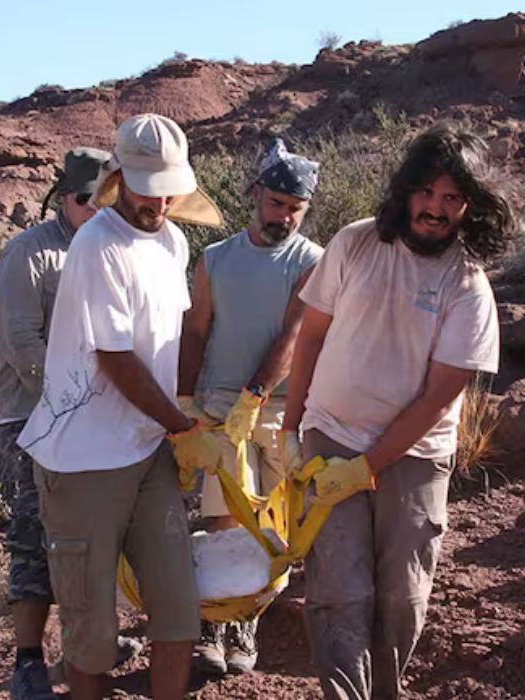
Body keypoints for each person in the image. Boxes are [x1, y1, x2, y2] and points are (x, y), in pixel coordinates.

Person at [280, 125, 516, 700]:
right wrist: (290, 429)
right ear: (407, 190)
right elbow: (310, 336)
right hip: (329, 438)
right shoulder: (355, 242)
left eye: (451, 199)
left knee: (401, 597)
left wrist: (368, 467)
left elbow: (440, 396)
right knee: (336, 589)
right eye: (427, 194)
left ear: (469, 208)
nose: (435, 210)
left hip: (414, 458)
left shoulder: (467, 285)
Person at [18, 113, 226, 700]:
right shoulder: (96, 245)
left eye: (167, 187)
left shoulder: (174, 240)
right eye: (144, 185)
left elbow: (172, 336)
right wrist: (182, 426)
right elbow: (115, 359)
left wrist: (180, 413)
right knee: (91, 632)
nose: (157, 200)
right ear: (118, 178)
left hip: (147, 450)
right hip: (82, 461)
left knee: (178, 616)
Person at [0, 146, 142, 700]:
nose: (95, 208)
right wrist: (69, 402)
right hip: (33, 419)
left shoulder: (117, 248)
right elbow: (20, 343)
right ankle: (28, 659)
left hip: (101, 421)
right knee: (35, 537)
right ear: (63, 198)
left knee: (101, 538)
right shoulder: (30, 253)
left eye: (104, 198)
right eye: (86, 199)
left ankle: (93, 643)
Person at [177, 138, 322, 675]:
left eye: (295, 209)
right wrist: (186, 400)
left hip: (279, 410)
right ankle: (213, 626)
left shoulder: (312, 260)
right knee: (220, 521)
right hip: (217, 410)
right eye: (277, 203)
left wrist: (254, 397)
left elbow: (294, 335)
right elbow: (195, 331)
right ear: (255, 193)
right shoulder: (215, 259)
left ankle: (246, 628)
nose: (284, 216)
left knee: (271, 523)